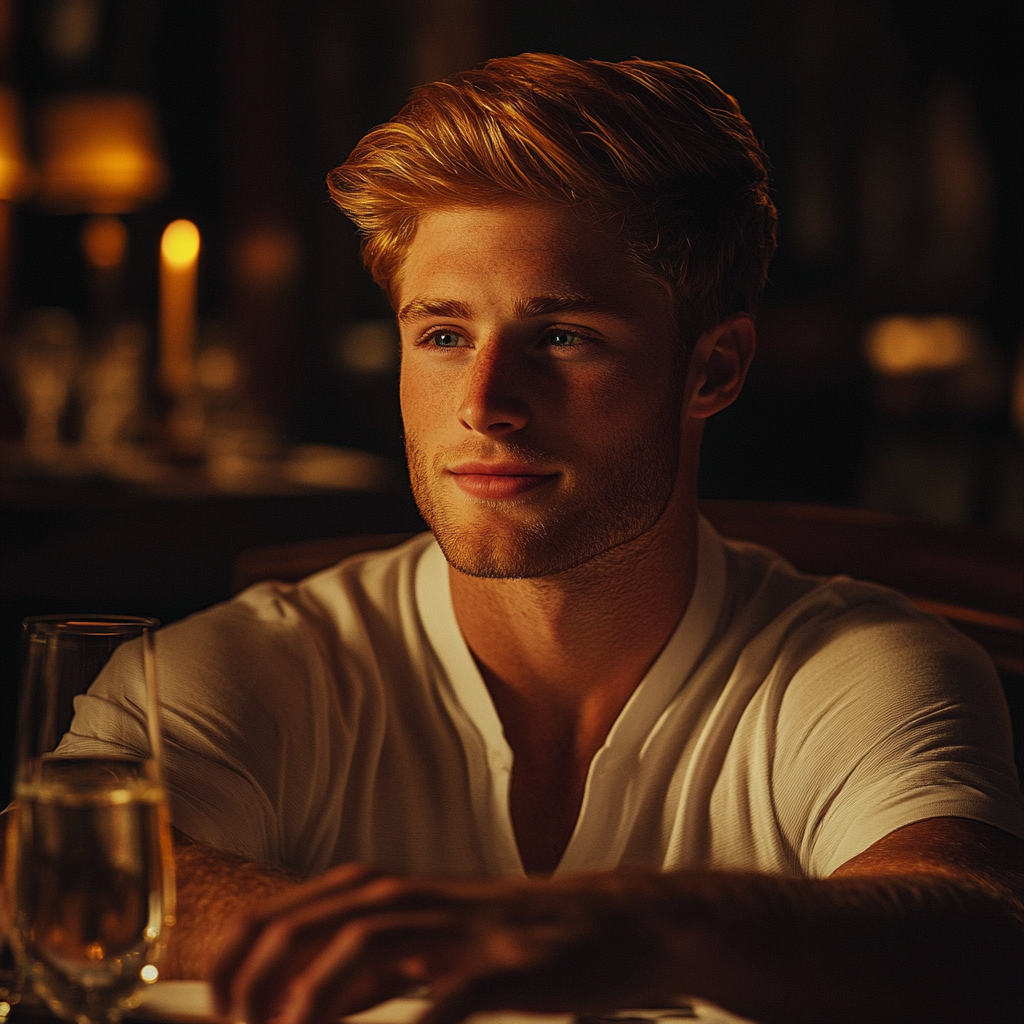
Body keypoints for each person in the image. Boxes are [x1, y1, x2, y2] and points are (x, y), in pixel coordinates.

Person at [41, 54, 1024, 1023]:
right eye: (442, 334)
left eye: (560, 335)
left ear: (712, 370)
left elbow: (978, 936)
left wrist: (639, 927)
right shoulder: (242, 661)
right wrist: (393, 934)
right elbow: (39, 870)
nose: (483, 405)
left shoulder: (861, 668)